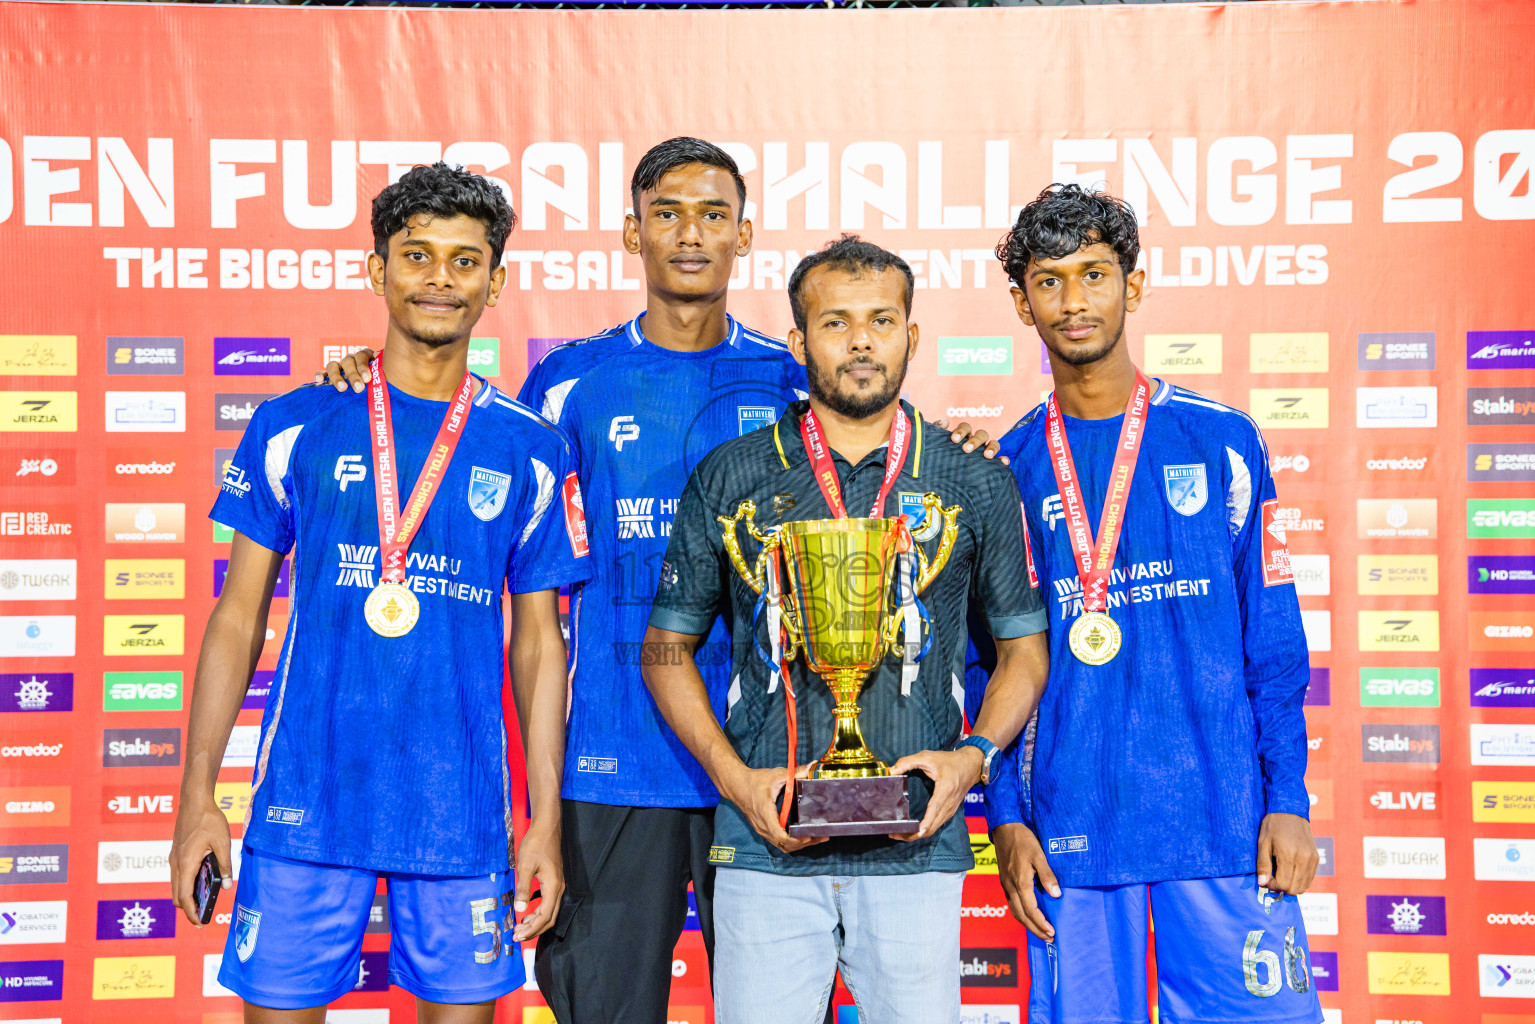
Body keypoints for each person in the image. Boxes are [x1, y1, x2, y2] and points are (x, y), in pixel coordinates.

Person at [320, 140, 1002, 1024]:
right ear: (630, 231)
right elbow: (473, 461)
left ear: (743, 235)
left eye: (713, 215)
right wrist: (362, 388)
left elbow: (876, 431)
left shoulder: (793, 373)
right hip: (611, 766)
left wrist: (964, 446)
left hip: (777, 769)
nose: (690, 234)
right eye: (668, 213)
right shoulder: (568, 382)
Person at [170, 163, 588, 1023]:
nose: (440, 279)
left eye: (465, 261)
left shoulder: (530, 448)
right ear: (376, 270)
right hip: (304, 798)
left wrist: (542, 820)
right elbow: (236, 617)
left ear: (496, 283)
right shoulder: (296, 423)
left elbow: (541, 644)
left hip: (460, 802)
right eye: (417, 256)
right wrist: (196, 798)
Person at [641, 235, 1051, 1024]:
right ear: (798, 343)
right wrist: (736, 783)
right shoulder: (733, 475)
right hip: (765, 845)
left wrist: (971, 760)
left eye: (880, 320)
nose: (861, 341)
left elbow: (1023, 654)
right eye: (835, 323)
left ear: (911, 336)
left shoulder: (973, 478)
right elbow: (666, 650)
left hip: (916, 847)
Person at [983, 184, 1322, 1024]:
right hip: (1071, 832)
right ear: (1021, 303)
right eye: (1049, 280)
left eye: (1094, 275)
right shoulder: (1006, 472)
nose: (1073, 301)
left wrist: (1287, 799)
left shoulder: (1223, 441)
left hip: (1223, 827)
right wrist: (1004, 821)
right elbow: (983, 666)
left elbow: (1272, 646)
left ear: (1132, 286)